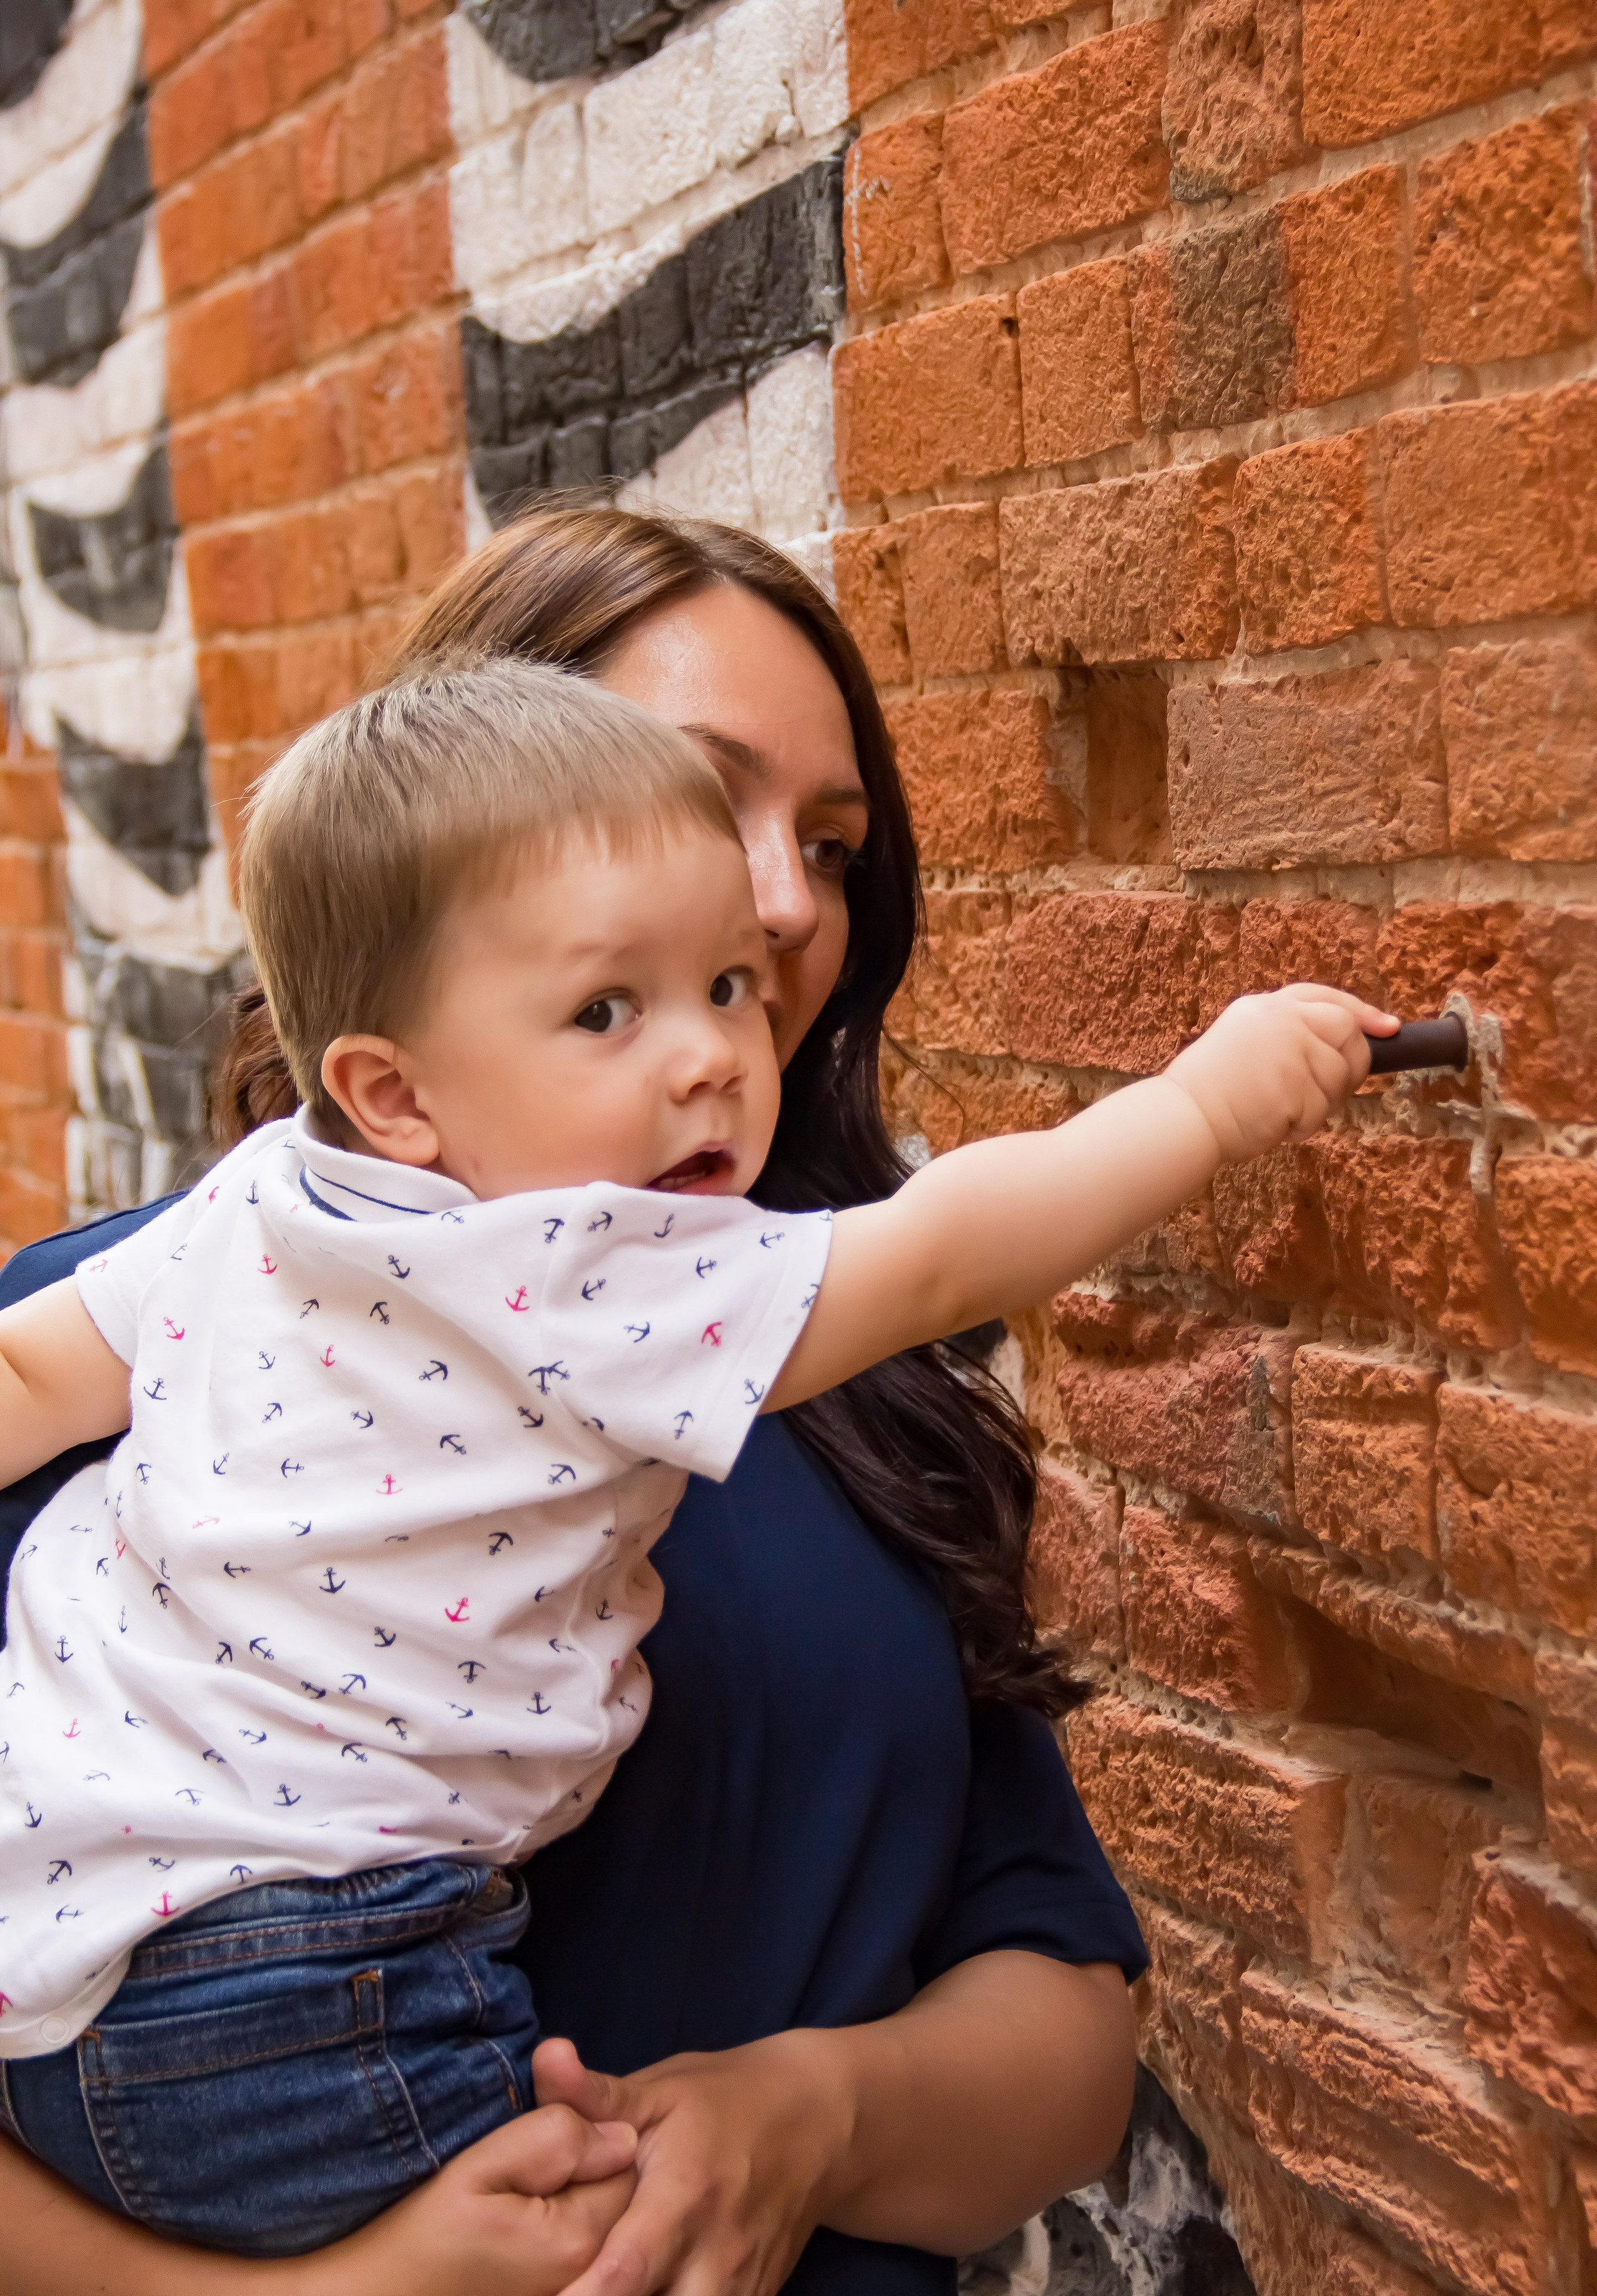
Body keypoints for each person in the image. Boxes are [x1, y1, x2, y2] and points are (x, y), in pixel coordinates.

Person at [0, 506, 1354, 2296]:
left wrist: (817, 2112)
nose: (784, 909)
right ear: (398, 1041)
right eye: (702, 805)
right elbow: (956, 1240)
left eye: (833, 845)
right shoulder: (245, 1329)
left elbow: (1070, 2027)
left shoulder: (872, 1414)